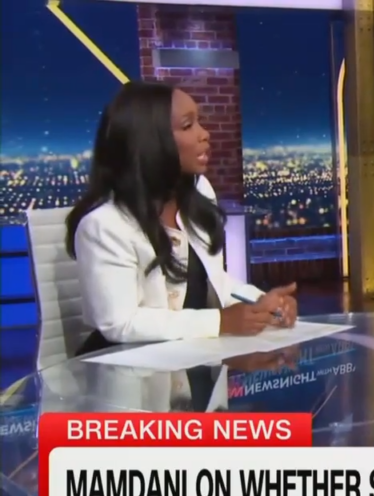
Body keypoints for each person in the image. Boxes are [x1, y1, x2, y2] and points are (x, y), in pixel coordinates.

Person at [66, 81, 299, 355]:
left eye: (200, 122)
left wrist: (262, 303)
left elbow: (214, 281)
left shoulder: (199, 192)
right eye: (188, 126)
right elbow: (120, 323)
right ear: (151, 141)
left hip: (193, 357)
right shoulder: (104, 225)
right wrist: (220, 322)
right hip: (127, 367)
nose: (205, 134)